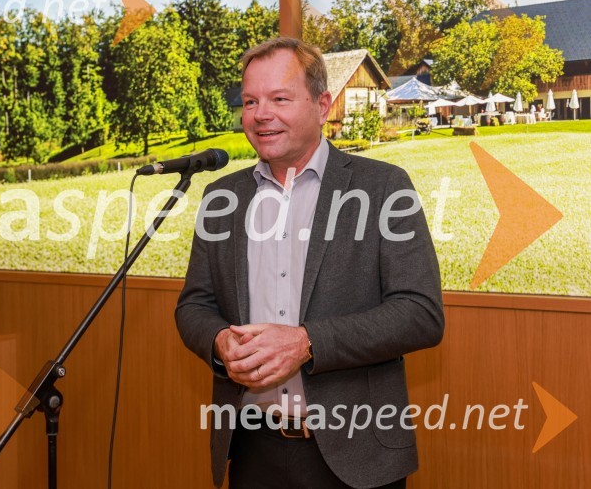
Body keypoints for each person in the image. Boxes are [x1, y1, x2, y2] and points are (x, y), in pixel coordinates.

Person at [175, 37, 444, 489]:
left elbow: (421, 313)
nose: (261, 114)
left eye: (280, 98)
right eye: (250, 101)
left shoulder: (383, 188)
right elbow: (193, 306)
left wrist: (306, 343)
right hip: (251, 450)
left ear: (322, 105)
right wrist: (220, 342)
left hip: (356, 456)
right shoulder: (221, 199)